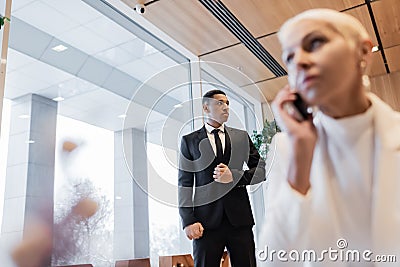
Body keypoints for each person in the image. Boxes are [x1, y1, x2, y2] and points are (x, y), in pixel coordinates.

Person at [258, 8, 400, 267]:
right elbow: (274, 262)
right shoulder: (287, 148)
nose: (298, 61)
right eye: (289, 57)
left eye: (315, 43)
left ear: (363, 52)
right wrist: (300, 161)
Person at [178, 89, 265, 267]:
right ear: (205, 108)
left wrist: (234, 176)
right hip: (204, 223)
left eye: (227, 103)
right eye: (220, 103)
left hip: (239, 220)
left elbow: (261, 170)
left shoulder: (241, 137)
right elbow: (184, 184)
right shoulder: (189, 141)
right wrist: (188, 220)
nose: (226, 107)